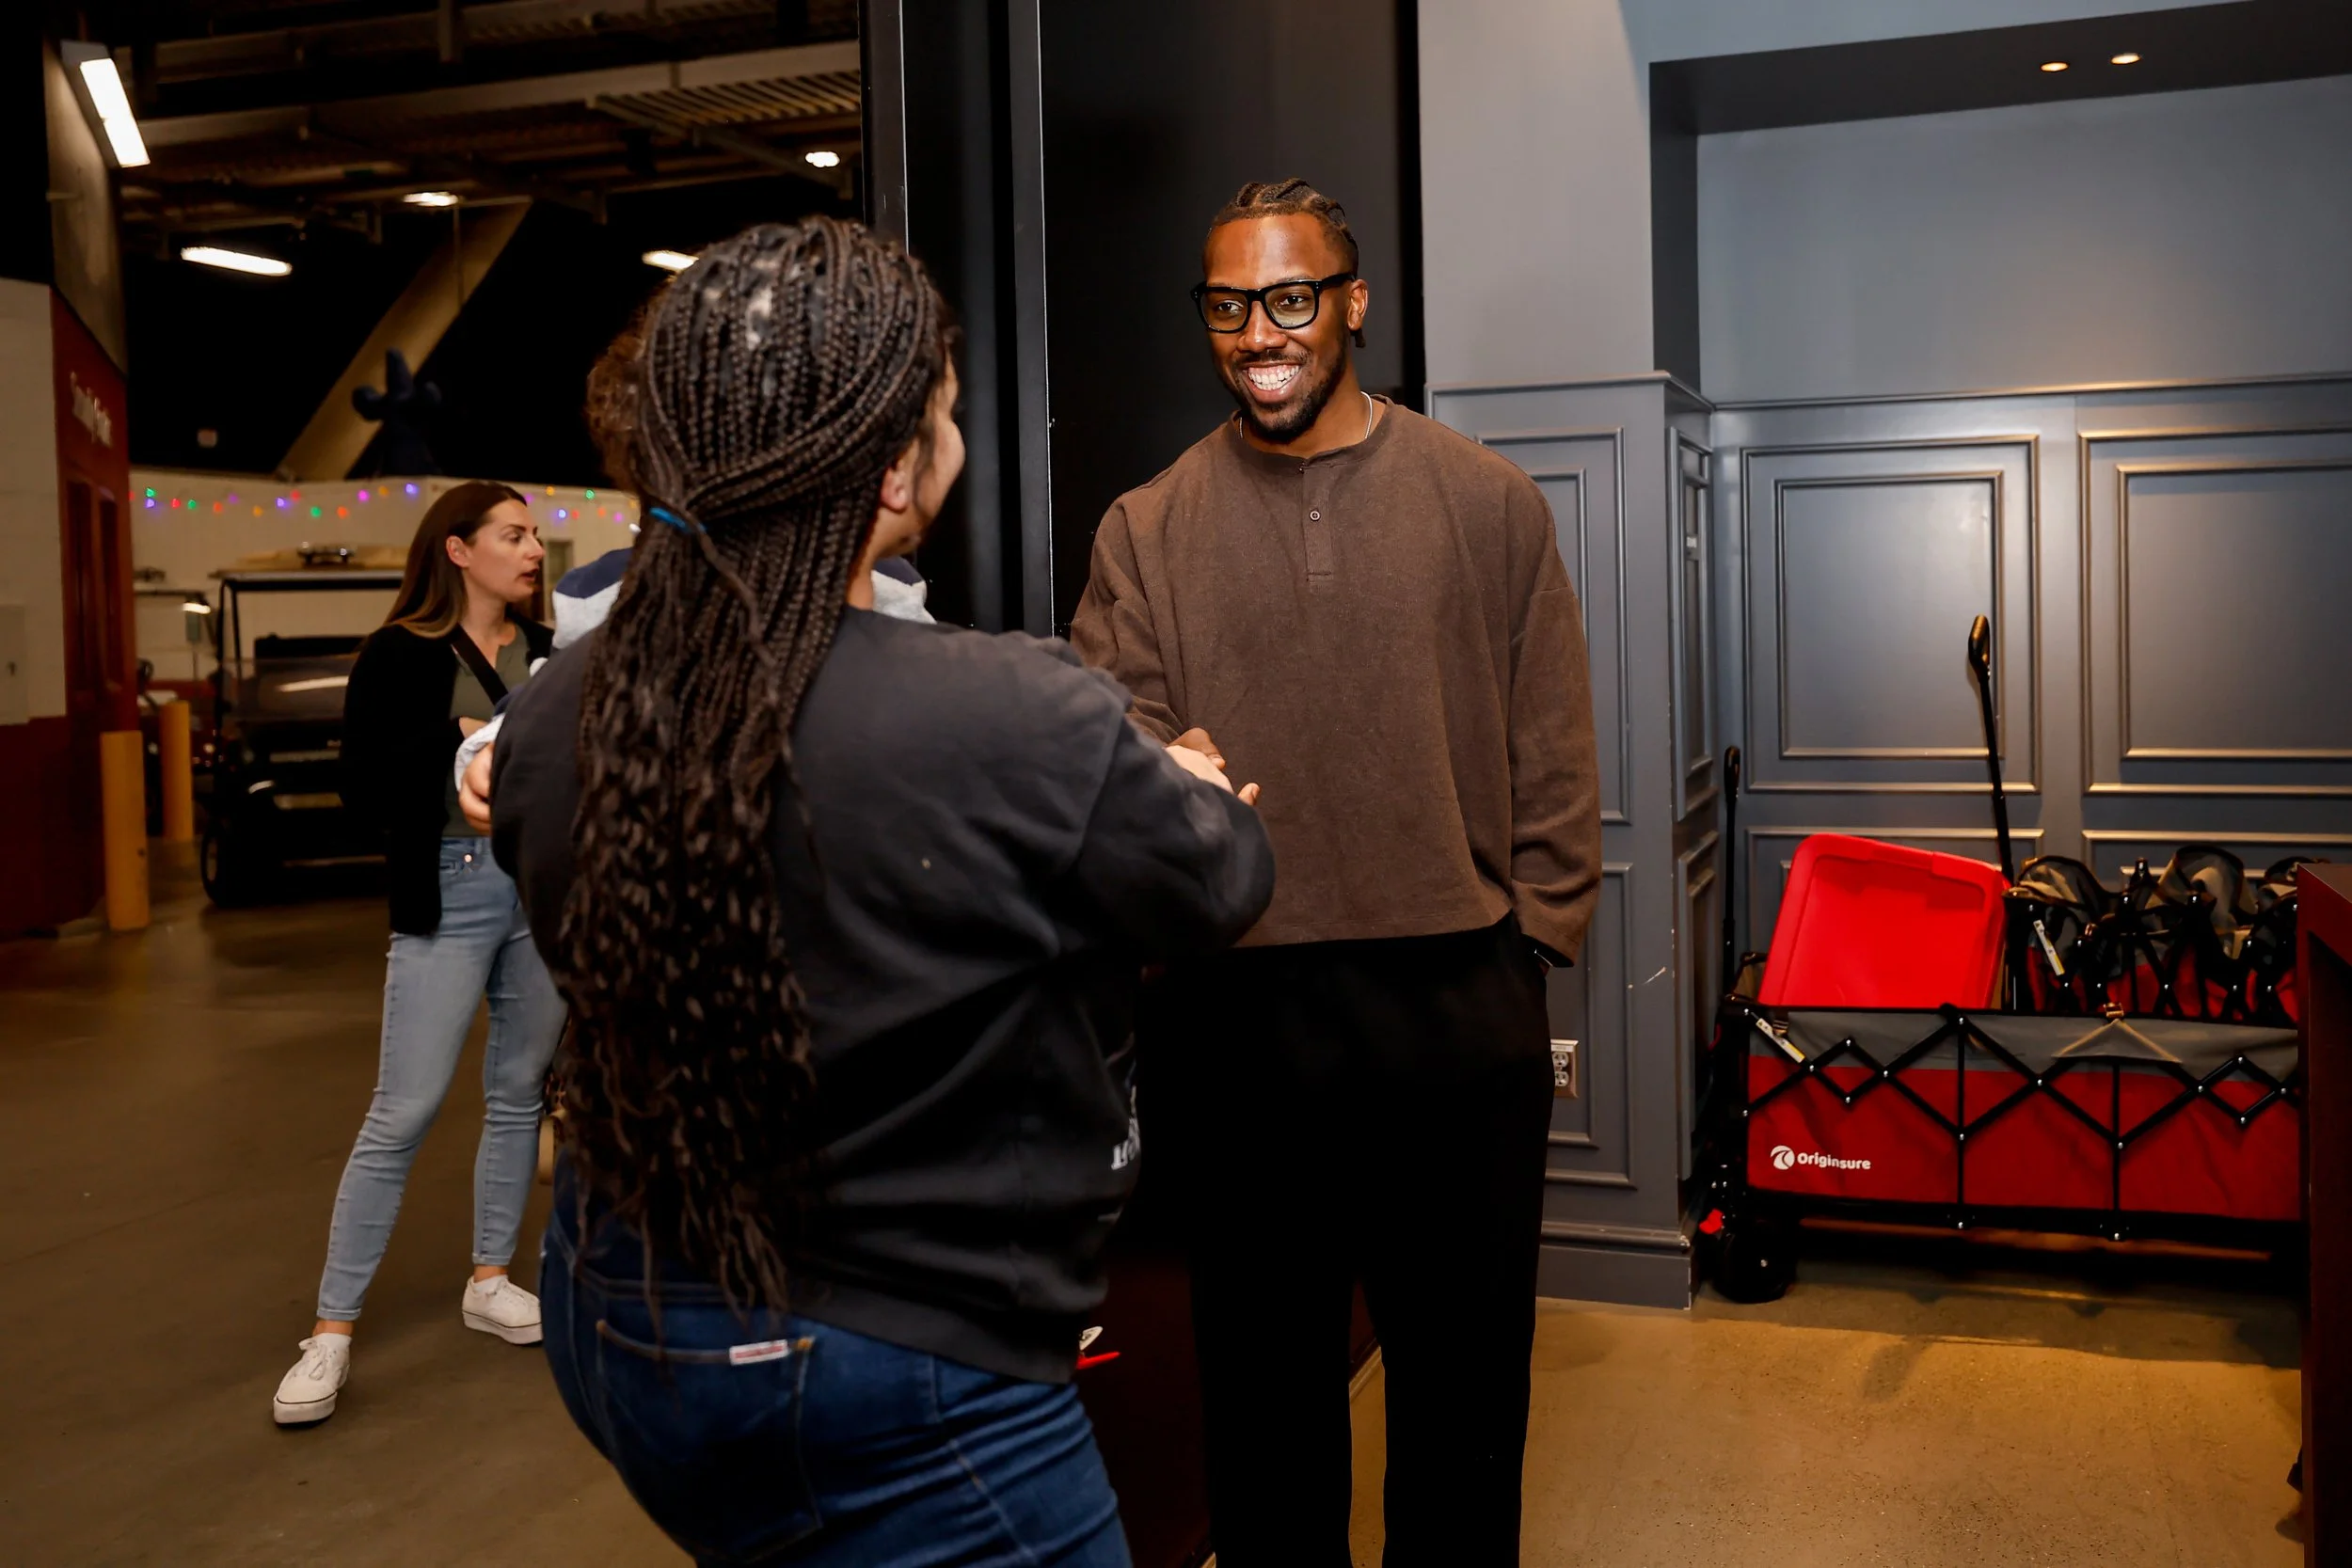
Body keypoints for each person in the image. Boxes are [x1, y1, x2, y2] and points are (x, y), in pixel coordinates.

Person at [490, 216, 1275, 1564]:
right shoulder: (1011, 711)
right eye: (950, 414)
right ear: (901, 469)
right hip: (889, 1364)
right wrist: (1170, 785)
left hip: (618, 1307)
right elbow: (1219, 877)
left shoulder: (559, 713)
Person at [1068, 178, 1603, 1564]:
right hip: (1237, 1016)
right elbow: (1107, 741)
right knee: (1264, 1404)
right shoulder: (1147, 525)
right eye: (1231, 306)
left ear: (1353, 303)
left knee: (1466, 1395)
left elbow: (1552, 737)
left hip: (1455, 1002)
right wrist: (1152, 772)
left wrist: (1532, 940)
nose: (1262, 333)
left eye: (1292, 298)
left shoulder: (1486, 500)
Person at [272, 482, 567, 1426]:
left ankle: (490, 1278)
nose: (531, 551)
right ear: (456, 549)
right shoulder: (399, 653)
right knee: (402, 1111)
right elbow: (361, 784)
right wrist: (451, 744)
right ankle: (331, 1331)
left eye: (533, 536)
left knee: (520, 1089)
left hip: (537, 886)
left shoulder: (549, 652)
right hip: (447, 881)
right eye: (512, 535)